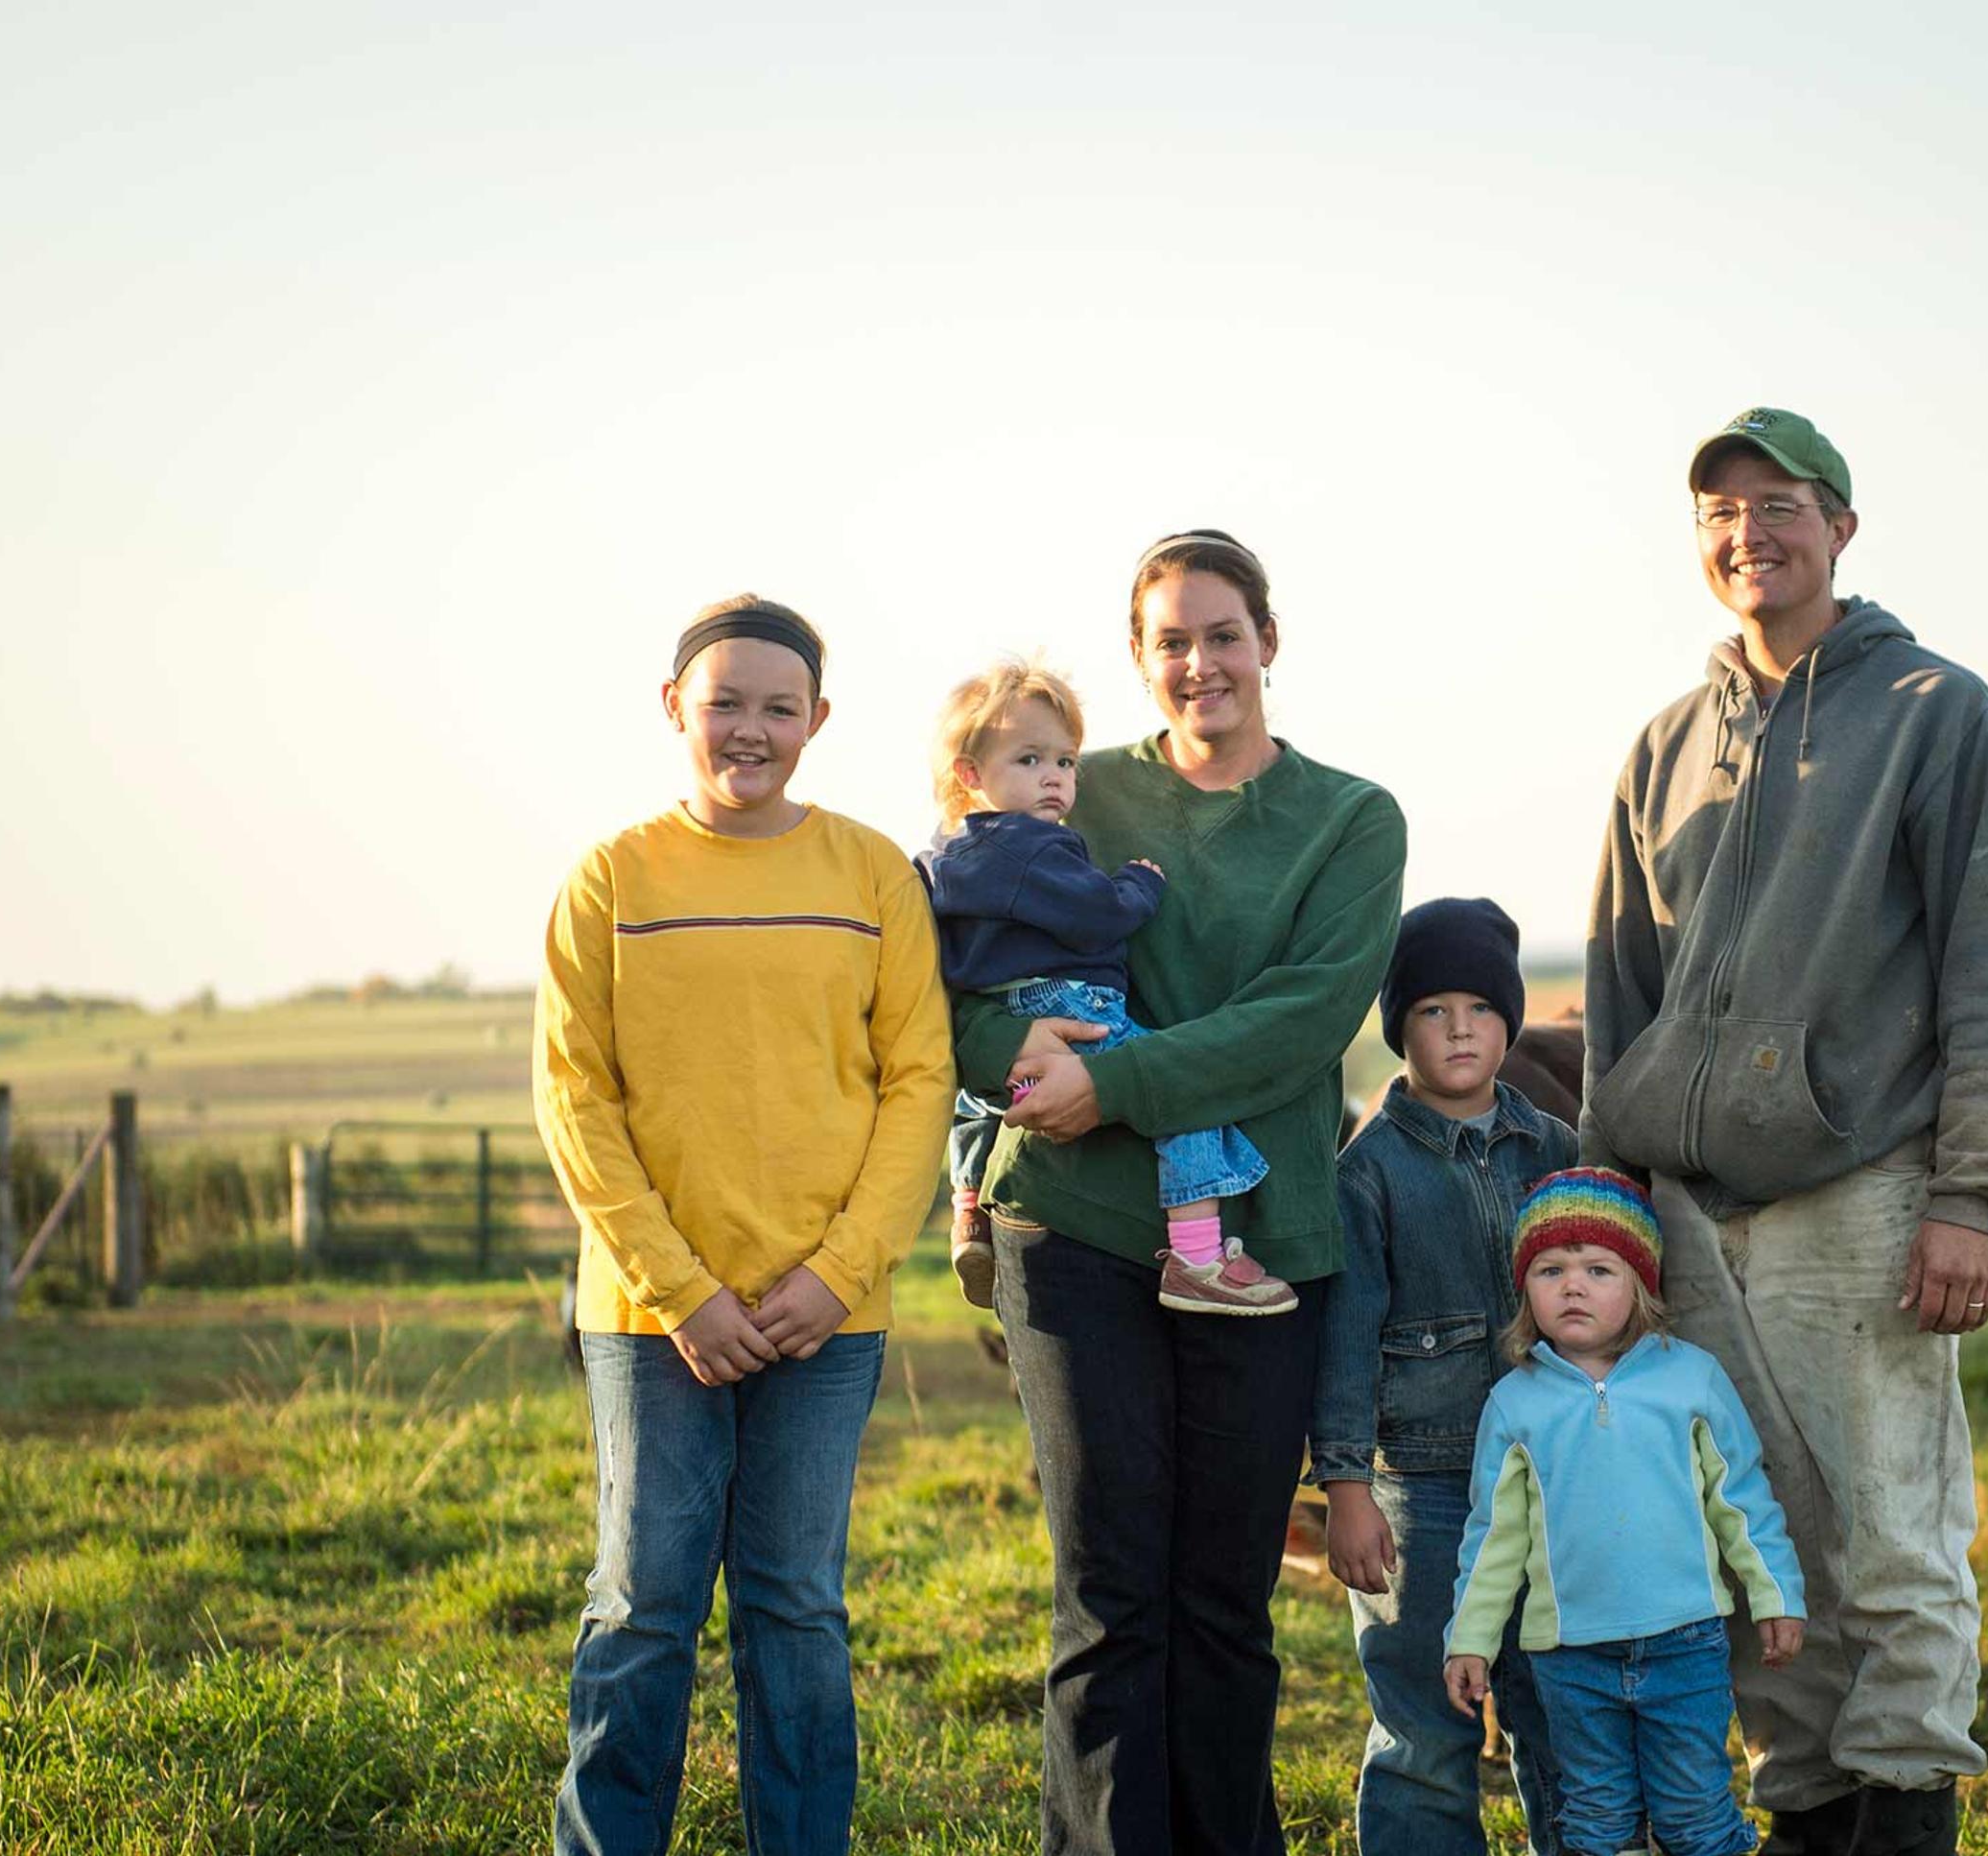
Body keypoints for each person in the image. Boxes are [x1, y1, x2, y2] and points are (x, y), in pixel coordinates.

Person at [1582, 409, 1988, 1856]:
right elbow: (1618, 988)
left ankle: (1906, 1808)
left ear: (1841, 524)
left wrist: (1972, 1196)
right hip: (1688, 1209)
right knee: (1748, 1540)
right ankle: (1806, 1806)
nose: (1748, 534)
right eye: (1720, 512)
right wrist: (1611, 1196)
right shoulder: (1665, 744)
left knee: (1887, 1535)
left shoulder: (1935, 710)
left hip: (1864, 1192)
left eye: (1777, 504)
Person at [958, 529, 1406, 1853]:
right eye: (1170, 640)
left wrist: (1122, 1081)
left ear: (1269, 639)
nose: (1199, 661)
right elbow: (967, 971)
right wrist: (1019, 1063)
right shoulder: (1068, 789)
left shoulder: (1350, 818)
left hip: (1260, 1242)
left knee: (1223, 1596)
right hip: (1077, 1225)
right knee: (1109, 1595)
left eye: (1222, 632)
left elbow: (1305, 1016)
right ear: (1140, 660)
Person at [532, 594, 956, 1856]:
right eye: (726, 702)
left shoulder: (874, 873)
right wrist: (680, 1289)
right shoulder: (611, 878)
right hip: (653, 1319)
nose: (750, 729)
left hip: (828, 1320)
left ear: (818, 719)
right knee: (642, 1607)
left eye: (780, 706)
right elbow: (575, 1099)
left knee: (797, 1610)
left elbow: (919, 1082)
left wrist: (838, 1272)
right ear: (676, 708)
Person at [1311, 896, 1576, 1854]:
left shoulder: (1556, 1149)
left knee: (1559, 1706)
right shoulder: (1368, 1172)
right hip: (1421, 1485)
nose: (1458, 1026)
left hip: (1551, 1481)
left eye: (1478, 1005)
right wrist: (1346, 1485)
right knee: (1425, 1719)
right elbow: (1343, 1341)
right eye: (1431, 1009)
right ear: (1399, 1028)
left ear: (1509, 1018)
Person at [1445, 1169, 1806, 1856]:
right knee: (1597, 1822)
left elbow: (1742, 1501)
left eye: (1598, 1268)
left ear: (1640, 1283)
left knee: (1694, 1815)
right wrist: (1471, 1639)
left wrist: (1776, 1595)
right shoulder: (1516, 1405)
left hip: (1686, 1643)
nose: (1572, 1285)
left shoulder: (1690, 1378)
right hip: (1570, 1657)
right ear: (1525, 1288)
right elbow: (1492, 1539)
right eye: (1550, 1268)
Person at [922, 654, 1292, 1316]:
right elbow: (1097, 915)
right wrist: (1139, 883)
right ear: (971, 774)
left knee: (979, 1104)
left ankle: (969, 1210)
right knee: (1183, 1094)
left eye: (1065, 762)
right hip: (1072, 1005)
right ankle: (1199, 1256)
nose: (1055, 780)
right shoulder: (1036, 846)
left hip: (1000, 1012)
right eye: (1029, 760)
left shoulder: (945, 857)